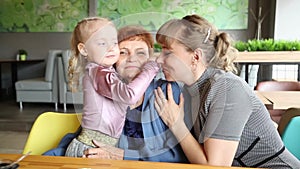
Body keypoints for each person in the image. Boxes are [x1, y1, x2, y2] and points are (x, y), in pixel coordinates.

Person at [153, 14, 300, 168]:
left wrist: (176, 124)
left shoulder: (227, 88)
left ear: (195, 57)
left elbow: (215, 166)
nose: (158, 59)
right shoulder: (190, 90)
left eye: (167, 52)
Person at [83, 25, 188, 162]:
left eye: (140, 53)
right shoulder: (107, 90)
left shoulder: (168, 91)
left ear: (150, 59)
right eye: (123, 52)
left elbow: (177, 153)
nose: (131, 59)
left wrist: (122, 155)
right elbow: (86, 135)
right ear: (113, 59)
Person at [65, 17, 159, 158]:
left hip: (103, 147)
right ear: (84, 49)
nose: (110, 48)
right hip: (90, 149)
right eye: (102, 43)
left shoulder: (108, 74)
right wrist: (151, 67)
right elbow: (129, 95)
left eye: (114, 43)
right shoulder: (97, 72)